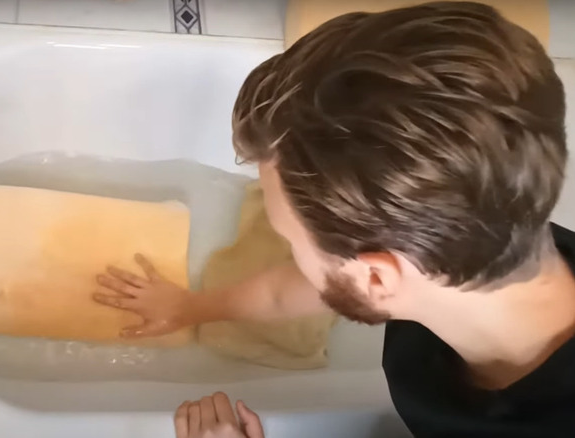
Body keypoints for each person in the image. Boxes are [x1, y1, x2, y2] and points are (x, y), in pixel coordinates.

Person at [93, 2, 575, 437]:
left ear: (375, 277)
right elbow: (298, 290)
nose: (292, 255)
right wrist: (192, 307)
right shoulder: (479, 237)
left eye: (289, 238)